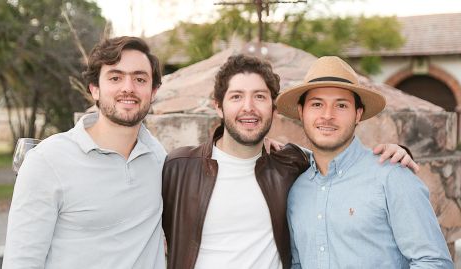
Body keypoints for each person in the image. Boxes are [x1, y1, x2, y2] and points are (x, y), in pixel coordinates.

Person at [162, 54, 418, 269]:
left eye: (260, 97)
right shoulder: (178, 167)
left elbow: (336, 161)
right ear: (218, 106)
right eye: (237, 96)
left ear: (273, 109)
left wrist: (399, 153)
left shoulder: (289, 165)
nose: (248, 107)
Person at [3, 36, 166, 268]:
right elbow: (22, 262)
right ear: (95, 89)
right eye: (115, 77)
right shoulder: (47, 161)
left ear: (153, 91)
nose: (128, 88)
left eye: (140, 79)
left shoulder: (158, 157)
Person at [276, 56, 454, 268]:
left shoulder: (392, 176)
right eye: (316, 104)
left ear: (357, 114)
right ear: (301, 112)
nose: (327, 115)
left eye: (341, 105)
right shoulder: (296, 191)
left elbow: (434, 262)